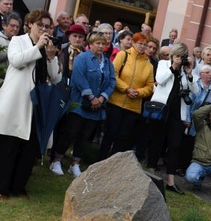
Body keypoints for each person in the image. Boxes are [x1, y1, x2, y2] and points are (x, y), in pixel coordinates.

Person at [0, 9, 62, 198]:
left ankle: (19, 187)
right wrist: (37, 48)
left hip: (37, 106)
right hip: (16, 102)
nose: (44, 29)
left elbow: (56, 78)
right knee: (9, 147)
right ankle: (2, 188)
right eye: (40, 25)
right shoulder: (18, 41)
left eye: (48, 26)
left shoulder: (48, 47)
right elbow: (16, 60)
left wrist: (51, 57)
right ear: (30, 25)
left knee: (29, 148)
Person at [50, 31, 115, 178]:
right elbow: (79, 78)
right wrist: (91, 96)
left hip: (97, 107)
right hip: (79, 103)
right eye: (97, 43)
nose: (100, 46)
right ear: (90, 44)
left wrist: (101, 98)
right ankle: (57, 160)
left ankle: (75, 164)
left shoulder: (107, 63)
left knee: (85, 136)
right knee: (70, 132)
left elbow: (112, 81)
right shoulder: (82, 58)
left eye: (103, 44)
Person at [148, 43, 198, 194]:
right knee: (157, 141)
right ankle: (151, 173)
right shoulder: (164, 64)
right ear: (172, 55)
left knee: (175, 145)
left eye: (182, 57)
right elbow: (160, 80)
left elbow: (194, 90)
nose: (179, 59)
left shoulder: (185, 71)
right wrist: (173, 68)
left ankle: (171, 181)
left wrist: (189, 73)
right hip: (162, 109)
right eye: (177, 56)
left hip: (177, 113)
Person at [99, 32, 154, 160]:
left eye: (145, 45)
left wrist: (138, 92)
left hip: (133, 107)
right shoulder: (123, 55)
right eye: (140, 43)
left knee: (122, 137)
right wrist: (126, 89)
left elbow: (150, 87)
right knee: (110, 133)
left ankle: (113, 165)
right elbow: (114, 75)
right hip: (116, 102)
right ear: (133, 43)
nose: (142, 47)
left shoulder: (149, 65)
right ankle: (100, 160)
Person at [0, 12, 22, 78]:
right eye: (12, 26)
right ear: (4, 25)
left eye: (17, 27)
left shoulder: (19, 41)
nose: (15, 29)